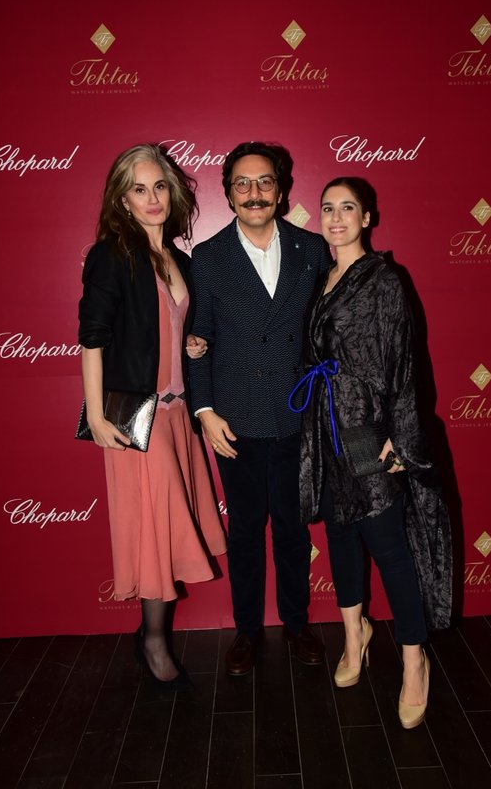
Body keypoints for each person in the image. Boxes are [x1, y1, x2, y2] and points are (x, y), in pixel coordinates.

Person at [290, 177, 452, 729]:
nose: (336, 218)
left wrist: (399, 437)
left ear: (367, 218)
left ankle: (414, 661)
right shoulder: (323, 279)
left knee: (388, 547)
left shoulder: (384, 280)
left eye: (347, 208)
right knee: (340, 537)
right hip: (326, 429)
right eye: (328, 208)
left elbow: (405, 364)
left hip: (367, 431)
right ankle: (354, 635)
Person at [78, 143, 226, 690]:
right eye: (138, 189)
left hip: (178, 414)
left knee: (164, 529)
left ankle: (150, 636)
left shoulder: (179, 260)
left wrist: (190, 345)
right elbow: (93, 338)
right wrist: (97, 415)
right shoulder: (111, 255)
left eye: (159, 186)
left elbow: (161, 327)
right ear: (123, 199)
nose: (152, 198)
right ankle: (154, 643)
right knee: (154, 532)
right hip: (136, 419)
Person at [188, 141, 331, 675]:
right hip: (235, 420)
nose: (254, 193)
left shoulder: (311, 249)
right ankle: (247, 631)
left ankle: (295, 623)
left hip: (298, 414)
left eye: (264, 182)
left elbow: (326, 332)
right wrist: (204, 410)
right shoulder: (208, 257)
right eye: (242, 184)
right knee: (246, 531)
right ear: (228, 194)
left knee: (293, 529)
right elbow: (196, 340)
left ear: (281, 189)